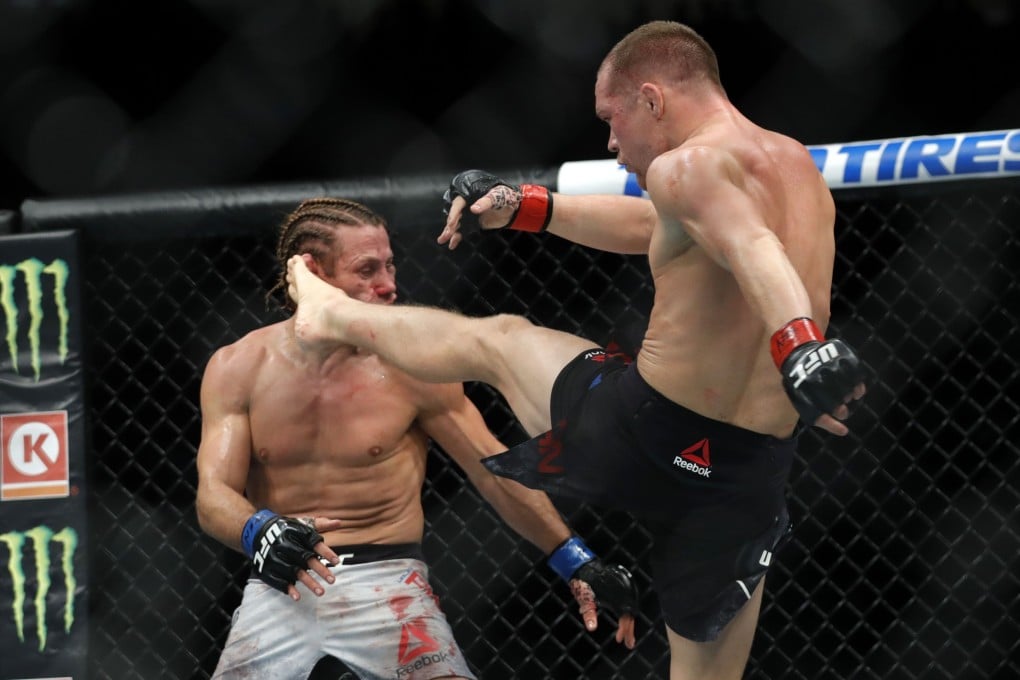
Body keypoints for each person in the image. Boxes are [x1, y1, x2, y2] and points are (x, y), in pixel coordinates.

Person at [285, 20, 869, 680]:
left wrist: (799, 349)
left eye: (614, 120)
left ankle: (328, 311)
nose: (613, 145)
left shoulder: (685, 165)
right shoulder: (794, 165)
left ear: (652, 98)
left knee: (498, 338)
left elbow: (752, 252)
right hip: (747, 474)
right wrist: (530, 207)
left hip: (649, 436)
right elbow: (678, 233)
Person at [194, 197, 638, 680]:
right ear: (312, 273)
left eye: (389, 265)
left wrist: (575, 559)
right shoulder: (238, 366)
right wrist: (260, 530)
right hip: (281, 582)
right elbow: (212, 496)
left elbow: (490, 469)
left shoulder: (414, 365)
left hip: (389, 579)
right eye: (367, 270)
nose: (389, 286)